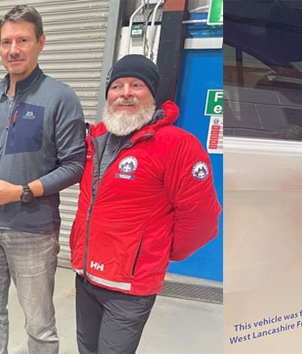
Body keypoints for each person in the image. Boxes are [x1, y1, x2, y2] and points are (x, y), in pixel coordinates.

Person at [0, 5, 87, 353]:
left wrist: (21, 192)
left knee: (39, 324)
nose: (13, 49)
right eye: (6, 41)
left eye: (23, 40)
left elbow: (74, 164)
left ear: (40, 42)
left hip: (33, 230)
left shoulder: (60, 98)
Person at [69, 54, 221, 354]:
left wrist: (156, 251)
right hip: (85, 275)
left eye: (136, 85)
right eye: (117, 86)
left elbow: (202, 221)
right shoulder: (95, 138)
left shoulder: (177, 144)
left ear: (153, 94)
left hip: (129, 288)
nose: (125, 93)